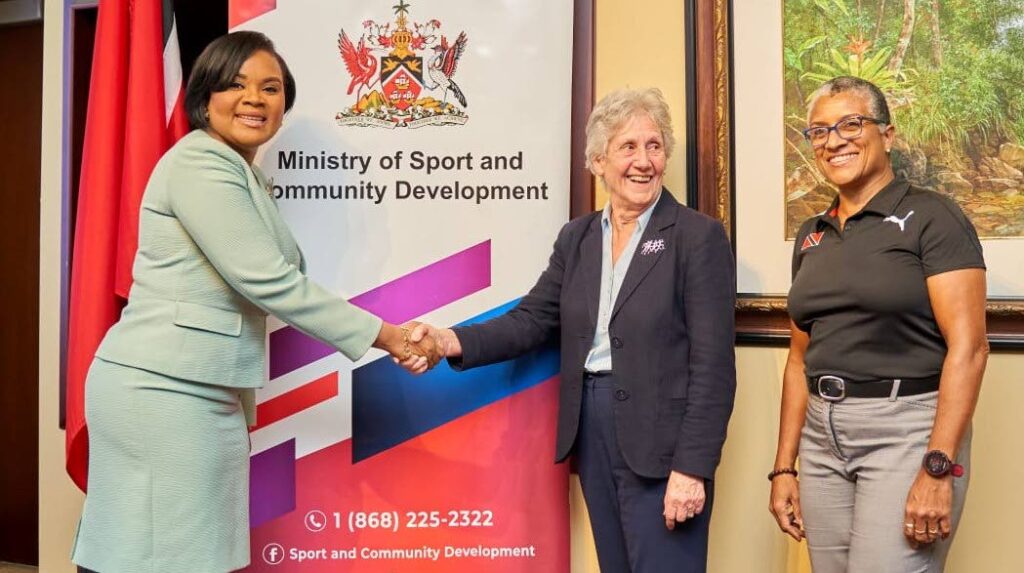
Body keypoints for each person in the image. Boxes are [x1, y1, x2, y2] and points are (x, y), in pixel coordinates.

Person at [70, 31, 438, 573]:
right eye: (236, 85)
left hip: (195, 387)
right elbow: (268, 281)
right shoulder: (201, 164)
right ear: (205, 97)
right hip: (163, 388)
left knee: (161, 552)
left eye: (270, 88)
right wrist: (391, 337)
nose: (254, 99)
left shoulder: (242, 172)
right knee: (157, 556)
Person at [411, 88, 736, 572]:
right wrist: (447, 340)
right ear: (598, 161)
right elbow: (532, 320)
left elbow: (714, 369)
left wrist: (692, 467)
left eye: (654, 146)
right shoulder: (578, 237)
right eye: (628, 147)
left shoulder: (697, 236)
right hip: (592, 428)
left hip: (662, 441)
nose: (643, 161)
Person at [768, 76, 988, 572]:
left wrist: (938, 467)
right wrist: (784, 467)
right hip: (822, 438)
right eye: (819, 131)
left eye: (851, 124)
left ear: (886, 135)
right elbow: (799, 359)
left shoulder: (933, 217)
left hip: (905, 431)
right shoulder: (811, 235)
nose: (834, 141)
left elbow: (970, 349)